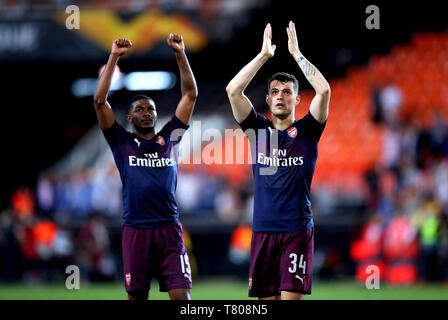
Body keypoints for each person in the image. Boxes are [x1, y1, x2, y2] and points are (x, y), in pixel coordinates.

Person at [226, 21, 331, 300]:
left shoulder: (308, 131)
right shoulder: (258, 130)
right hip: (262, 230)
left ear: (297, 98)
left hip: (296, 230)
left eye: (287, 92)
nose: (280, 96)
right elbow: (233, 91)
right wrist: (263, 56)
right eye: (275, 92)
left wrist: (296, 53)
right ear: (268, 99)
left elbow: (324, 91)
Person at [93, 34, 197, 300]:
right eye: (139, 109)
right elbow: (99, 101)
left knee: (182, 299)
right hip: (136, 231)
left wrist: (180, 54)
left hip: (169, 230)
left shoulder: (169, 137)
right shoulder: (121, 142)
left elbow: (190, 94)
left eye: (150, 108)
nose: (147, 112)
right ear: (130, 118)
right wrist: (114, 56)